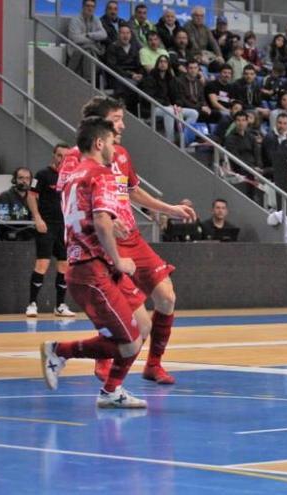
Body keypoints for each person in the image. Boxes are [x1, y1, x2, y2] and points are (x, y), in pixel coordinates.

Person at [60, 96, 196, 385]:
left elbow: (133, 192)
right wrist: (104, 221)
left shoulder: (119, 153)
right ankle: (106, 363)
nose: (123, 124)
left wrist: (169, 208)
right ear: (101, 125)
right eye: (118, 118)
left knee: (166, 297)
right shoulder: (77, 158)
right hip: (103, 242)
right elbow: (70, 203)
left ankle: (153, 365)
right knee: (131, 319)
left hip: (131, 237)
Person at [41, 117, 150, 408]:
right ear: (99, 143)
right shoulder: (101, 174)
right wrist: (119, 259)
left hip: (90, 265)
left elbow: (88, 218)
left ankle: (111, 389)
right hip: (92, 269)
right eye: (113, 141)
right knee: (130, 342)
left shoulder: (74, 175)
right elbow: (101, 221)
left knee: (142, 325)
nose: (117, 148)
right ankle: (60, 350)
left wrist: (109, 229)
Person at [25, 143, 75, 318]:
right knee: (42, 263)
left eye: (66, 156)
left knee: (64, 264)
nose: (62, 159)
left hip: (64, 226)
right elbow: (31, 196)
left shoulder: (71, 177)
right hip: (46, 225)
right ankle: (32, 304)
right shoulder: (42, 175)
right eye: (59, 155)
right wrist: (37, 218)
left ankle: (60, 305)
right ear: (54, 155)